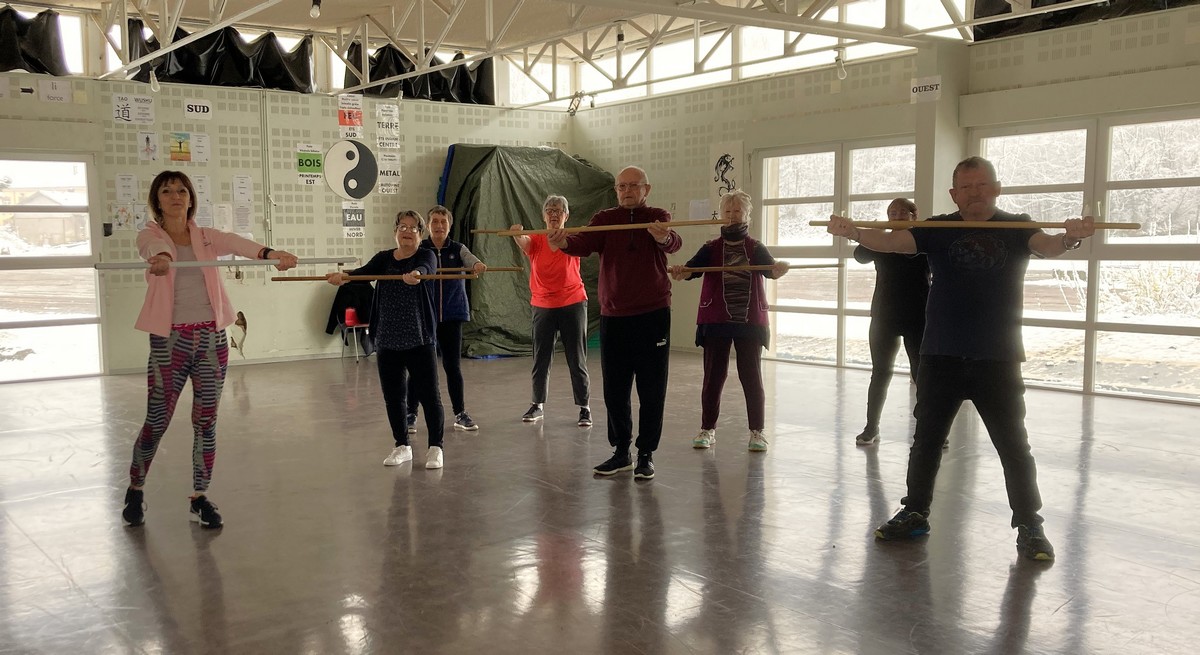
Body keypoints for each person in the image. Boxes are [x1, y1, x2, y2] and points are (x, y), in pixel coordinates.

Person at [826, 156, 1095, 561]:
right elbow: (892, 242)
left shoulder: (1017, 226)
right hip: (941, 354)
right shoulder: (938, 227)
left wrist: (1071, 238)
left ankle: (1029, 526)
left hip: (997, 357)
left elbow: (1050, 245)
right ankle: (915, 512)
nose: (975, 193)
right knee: (926, 441)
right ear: (954, 194)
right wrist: (854, 232)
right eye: (966, 187)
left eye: (982, 185)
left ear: (996, 188)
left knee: (1013, 446)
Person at [123, 170, 298, 529]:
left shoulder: (205, 236)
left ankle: (199, 496)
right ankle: (136, 488)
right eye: (167, 191)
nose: (175, 196)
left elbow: (237, 243)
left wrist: (271, 254)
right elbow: (151, 249)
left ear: (191, 198)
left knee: (206, 421)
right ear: (157, 200)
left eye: (182, 191)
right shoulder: (150, 235)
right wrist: (162, 258)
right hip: (169, 340)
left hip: (211, 340)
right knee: (157, 420)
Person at [548, 166, 681, 480]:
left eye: (633, 185)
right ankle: (621, 452)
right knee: (615, 389)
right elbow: (582, 244)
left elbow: (673, 243)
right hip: (614, 316)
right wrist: (561, 242)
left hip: (652, 314)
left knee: (652, 388)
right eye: (622, 186)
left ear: (646, 189)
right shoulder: (604, 219)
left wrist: (664, 236)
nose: (627, 191)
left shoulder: (657, 216)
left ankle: (646, 453)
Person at [668, 190, 788, 452]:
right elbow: (691, 270)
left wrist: (779, 269)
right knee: (713, 376)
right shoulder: (711, 248)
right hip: (716, 318)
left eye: (738, 211)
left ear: (747, 215)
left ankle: (757, 432)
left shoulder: (756, 247)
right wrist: (680, 272)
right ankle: (707, 429)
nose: (732, 216)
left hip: (749, 320)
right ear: (721, 215)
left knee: (751, 376)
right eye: (728, 211)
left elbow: (771, 271)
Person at [327, 210, 446, 470]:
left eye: (413, 228)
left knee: (429, 396)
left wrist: (417, 274)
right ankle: (402, 445)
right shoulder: (383, 258)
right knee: (393, 397)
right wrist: (343, 277)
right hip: (387, 339)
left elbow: (427, 268)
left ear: (420, 234)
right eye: (402, 226)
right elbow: (363, 273)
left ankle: (436, 447)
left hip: (419, 338)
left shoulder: (425, 255)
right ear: (395, 231)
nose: (407, 231)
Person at [853, 198, 930, 447]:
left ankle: (931, 430)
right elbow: (860, 255)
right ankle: (871, 427)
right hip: (884, 315)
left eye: (902, 212)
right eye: (892, 213)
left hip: (918, 316)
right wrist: (873, 233)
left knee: (921, 374)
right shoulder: (881, 242)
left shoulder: (922, 242)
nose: (897, 216)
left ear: (913, 216)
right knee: (880, 372)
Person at [510, 195, 592, 427]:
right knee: (541, 358)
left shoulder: (573, 238)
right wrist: (517, 235)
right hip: (543, 305)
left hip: (573, 302)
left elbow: (584, 245)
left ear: (566, 215)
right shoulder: (537, 238)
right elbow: (525, 242)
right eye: (550, 210)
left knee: (577, 358)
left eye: (558, 210)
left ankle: (584, 408)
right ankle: (537, 404)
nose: (554, 214)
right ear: (543, 216)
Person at [405, 205, 485, 433]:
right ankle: (410, 413)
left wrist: (477, 266)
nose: (439, 226)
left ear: (449, 225)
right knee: (419, 367)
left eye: (443, 222)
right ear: (428, 225)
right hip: (425, 316)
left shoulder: (458, 249)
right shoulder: (421, 249)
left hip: (452, 315)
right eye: (435, 221)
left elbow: (471, 260)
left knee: (452, 366)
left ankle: (460, 413)